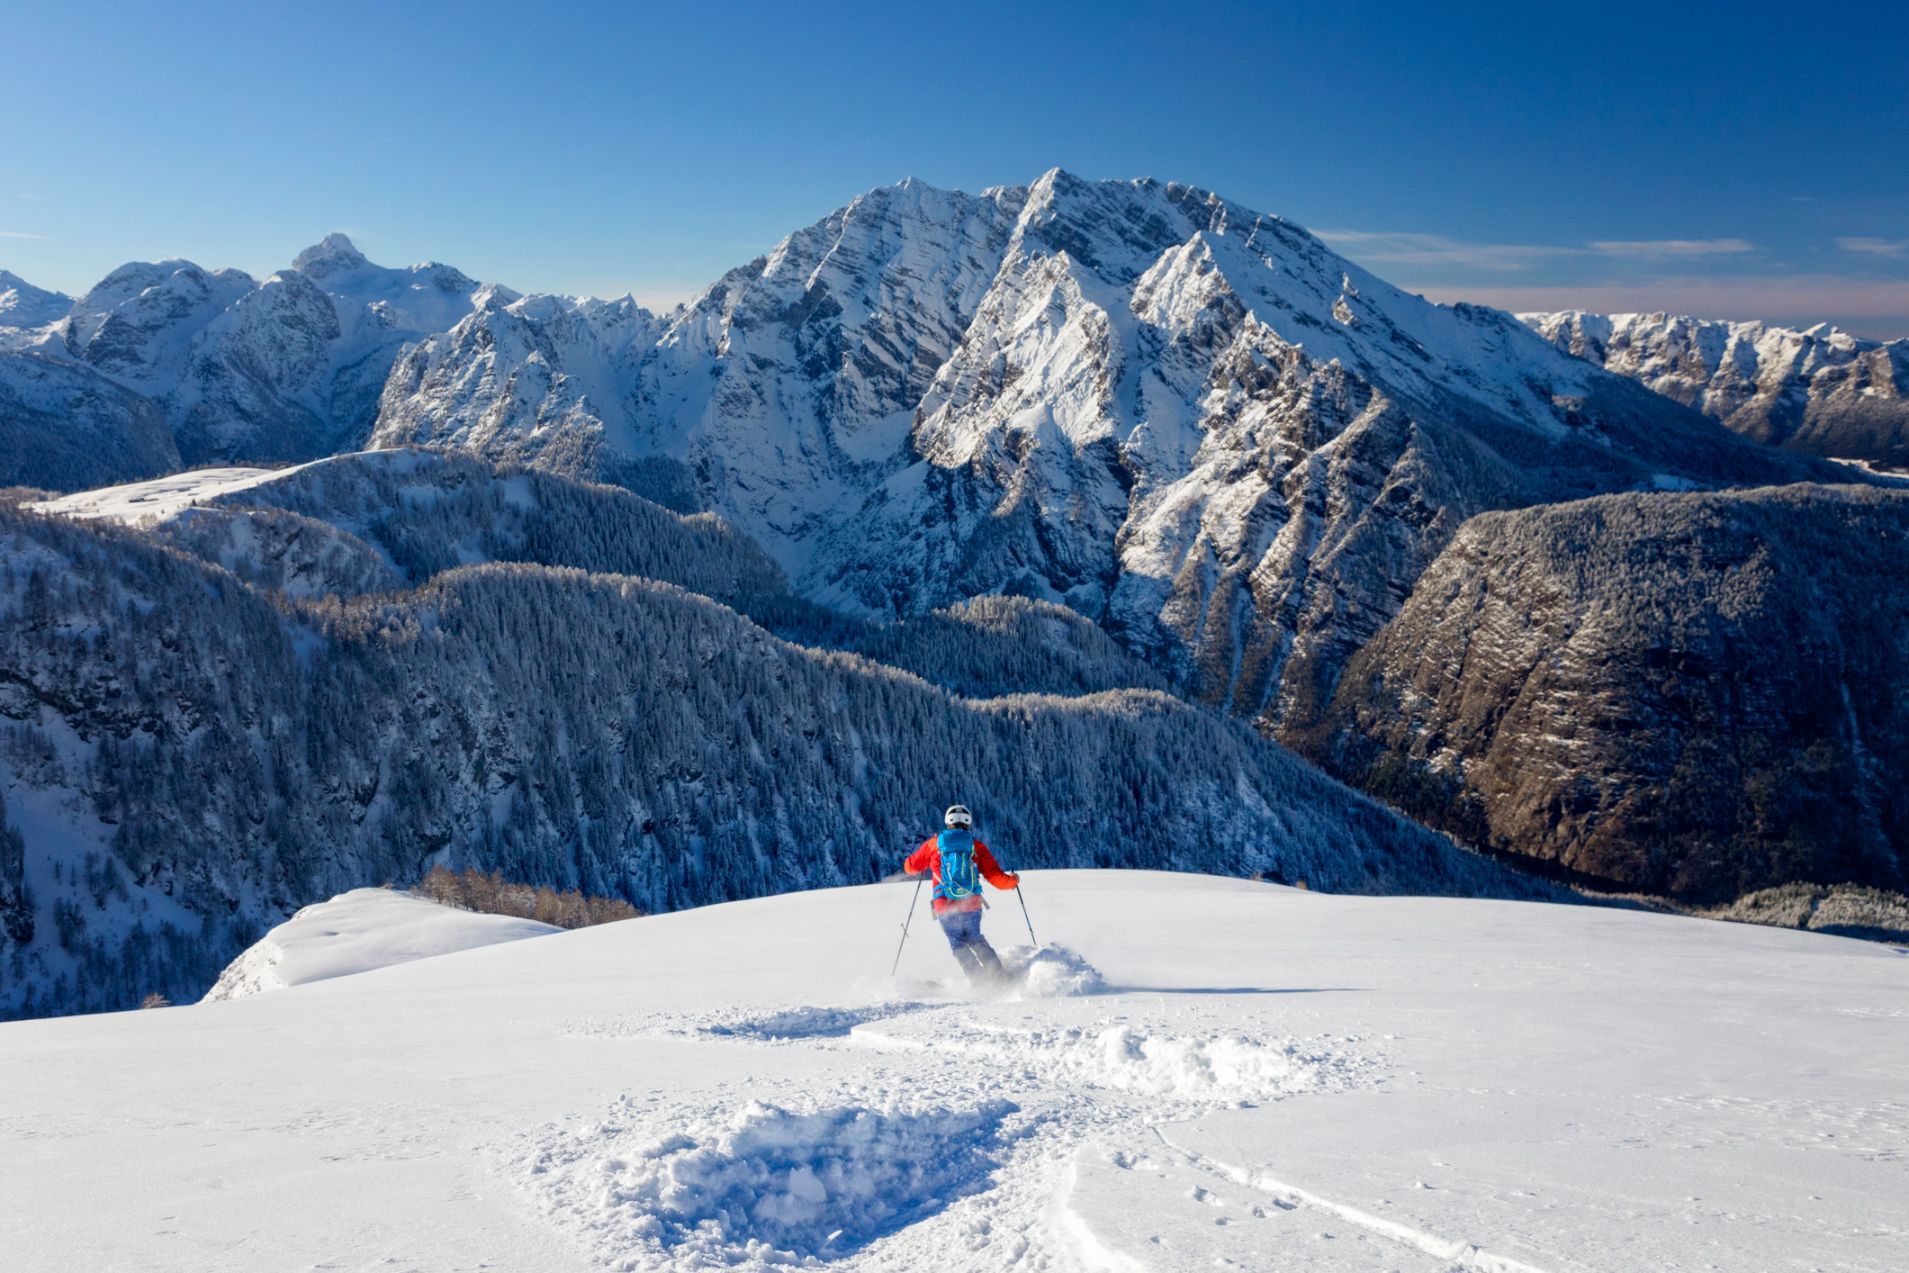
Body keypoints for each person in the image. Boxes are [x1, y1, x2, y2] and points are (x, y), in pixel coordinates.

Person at [903, 804, 1020, 987]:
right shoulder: (975, 846)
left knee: (958, 945)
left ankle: (979, 982)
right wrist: (1012, 881)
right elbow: (995, 876)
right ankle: (998, 977)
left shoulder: (934, 845)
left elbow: (910, 867)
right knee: (975, 938)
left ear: (947, 822)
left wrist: (925, 861)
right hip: (971, 904)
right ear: (968, 823)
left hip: (944, 906)